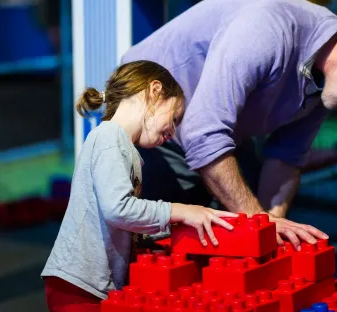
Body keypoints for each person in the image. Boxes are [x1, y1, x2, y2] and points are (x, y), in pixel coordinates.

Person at [121, 0, 337, 250]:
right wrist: (262, 225)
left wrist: (274, 233)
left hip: (214, 132)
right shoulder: (268, 29)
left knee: (245, 219)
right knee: (155, 253)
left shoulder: (327, 79)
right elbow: (203, 133)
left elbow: (286, 157)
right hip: (148, 127)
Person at [41, 60, 238, 311]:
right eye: (175, 118)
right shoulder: (109, 137)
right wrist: (182, 210)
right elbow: (117, 209)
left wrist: (174, 227)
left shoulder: (122, 146)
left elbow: (120, 222)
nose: (173, 132)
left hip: (91, 285)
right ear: (155, 90)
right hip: (79, 285)